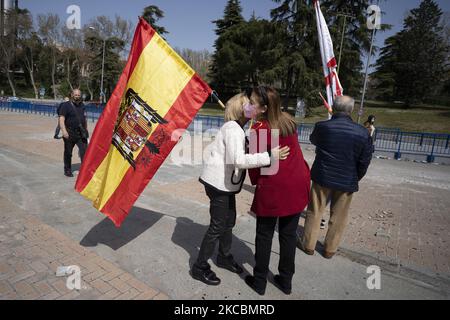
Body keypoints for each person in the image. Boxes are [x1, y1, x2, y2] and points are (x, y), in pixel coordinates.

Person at [191, 93, 290, 286]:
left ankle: (224, 256)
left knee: (228, 221)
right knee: (217, 225)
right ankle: (199, 266)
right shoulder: (233, 129)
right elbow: (239, 161)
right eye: (249, 104)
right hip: (218, 185)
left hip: (225, 185)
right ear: (241, 109)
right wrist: (270, 155)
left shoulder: (237, 129)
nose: (252, 107)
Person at [244, 86, 311, 296]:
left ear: (263, 108)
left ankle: (260, 281)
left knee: (264, 235)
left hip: (275, 186)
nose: (248, 105)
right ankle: (286, 280)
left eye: (252, 103)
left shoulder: (259, 129)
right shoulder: (287, 120)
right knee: (288, 235)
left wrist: (256, 180)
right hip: (297, 183)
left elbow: (256, 166)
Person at [297, 96, 373, 259]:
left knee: (315, 211)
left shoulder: (323, 126)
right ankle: (330, 249)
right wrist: (356, 177)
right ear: (351, 110)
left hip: (322, 176)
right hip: (347, 179)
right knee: (339, 216)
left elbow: (313, 140)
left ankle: (308, 244)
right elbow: (365, 160)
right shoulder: (362, 132)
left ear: (333, 107)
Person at [58, 89, 89, 177]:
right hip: (69, 132)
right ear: (72, 95)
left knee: (84, 152)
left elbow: (84, 118)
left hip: (80, 133)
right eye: (76, 95)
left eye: (79, 95)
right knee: (68, 152)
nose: (77, 96)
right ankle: (67, 170)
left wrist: (85, 130)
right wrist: (64, 131)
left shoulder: (82, 105)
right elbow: (61, 119)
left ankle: (84, 170)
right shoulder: (65, 105)